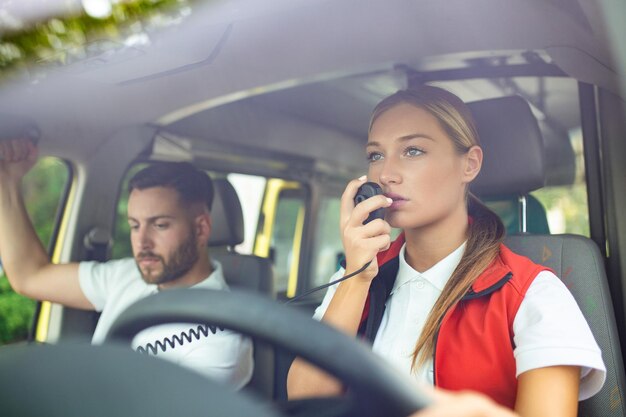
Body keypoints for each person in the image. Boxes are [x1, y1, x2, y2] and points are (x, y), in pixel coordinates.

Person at [287, 86, 606, 416]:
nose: (386, 174)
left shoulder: (534, 295)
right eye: (375, 155)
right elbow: (305, 399)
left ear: (470, 164)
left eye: (412, 151)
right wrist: (356, 278)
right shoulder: (356, 276)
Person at [0, 139, 253, 390]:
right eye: (135, 225)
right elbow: (30, 276)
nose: (142, 242)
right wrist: (6, 180)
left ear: (201, 228)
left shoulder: (223, 339)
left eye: (159, 225)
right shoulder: (128, 275)